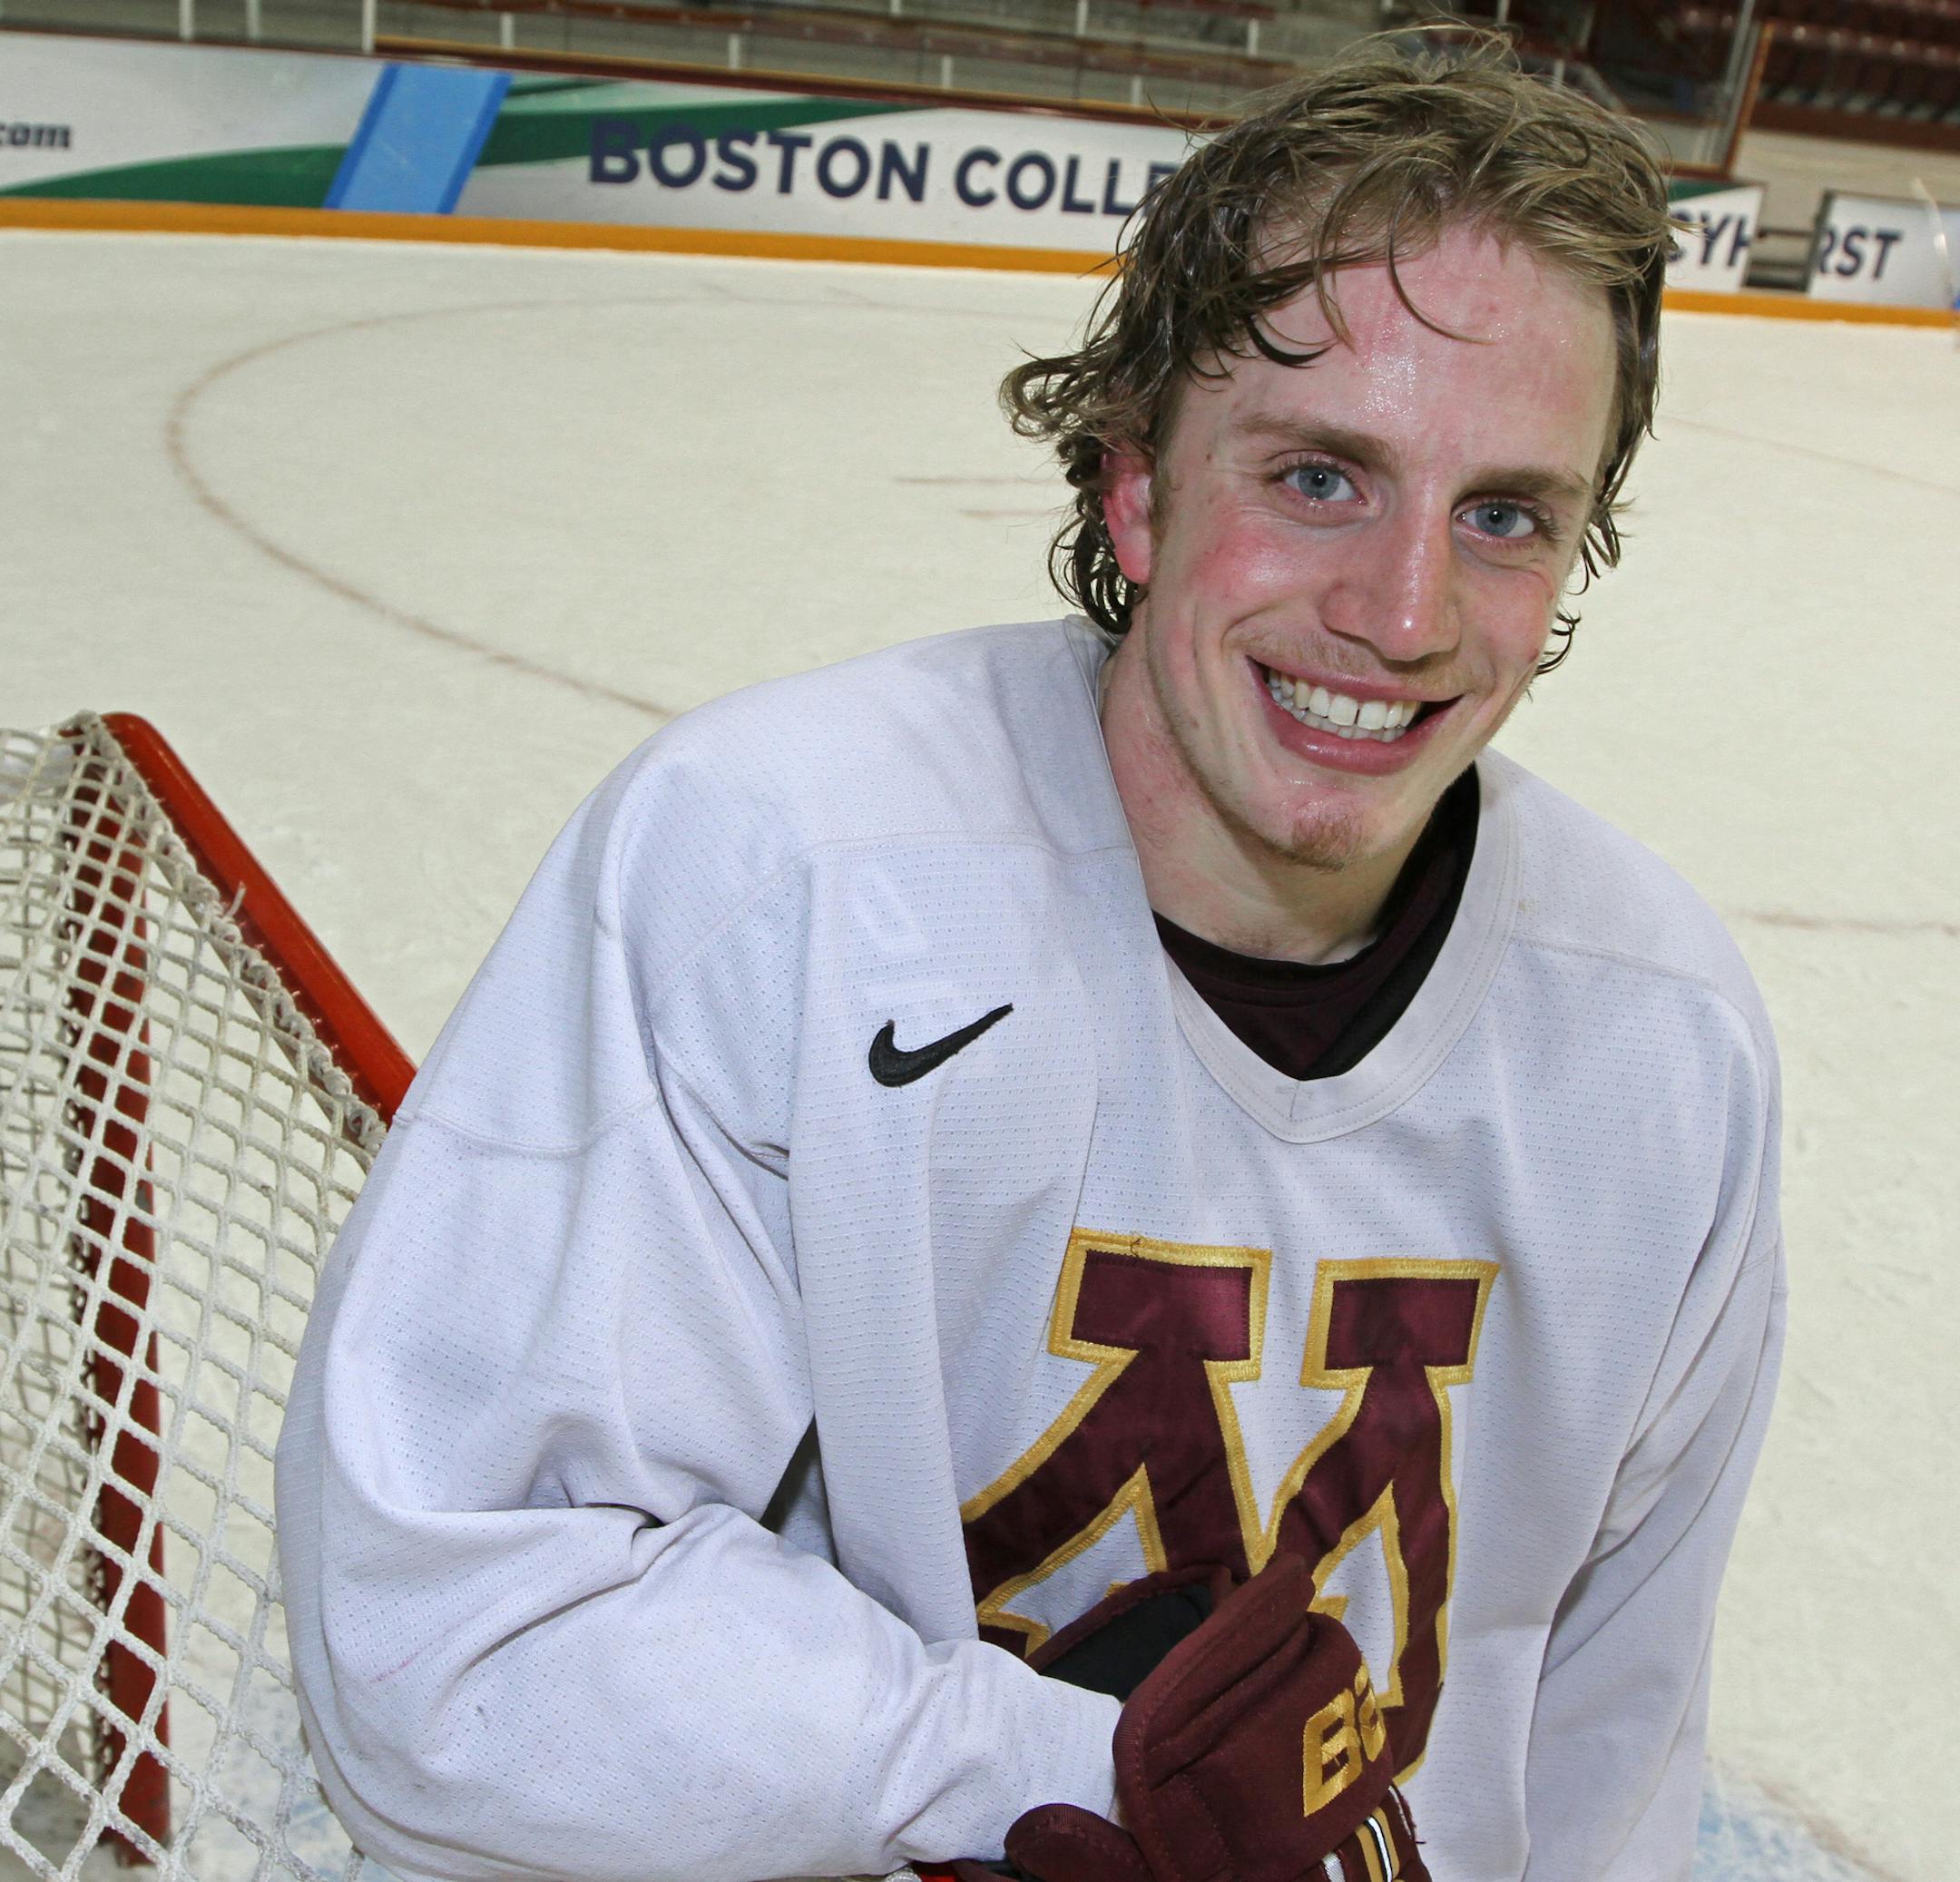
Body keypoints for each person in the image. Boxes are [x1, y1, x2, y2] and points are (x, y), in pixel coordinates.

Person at [277, 31, 1785, 1882]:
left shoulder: (1665, 1051)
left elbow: (1603, 1761)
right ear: (1135, 488)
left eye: (1503, 518)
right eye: (1320, 475)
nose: (1403, 615)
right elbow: (453, 1644)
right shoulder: (786, 876)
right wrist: (1073, 1777)